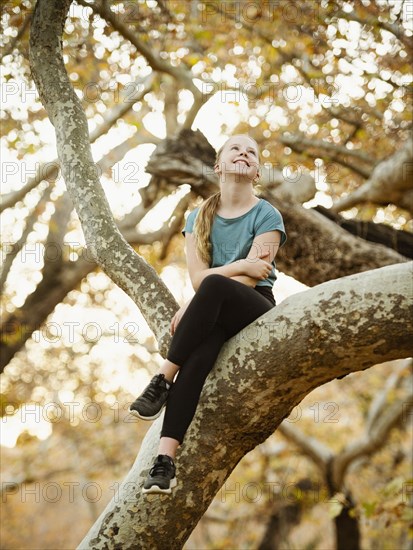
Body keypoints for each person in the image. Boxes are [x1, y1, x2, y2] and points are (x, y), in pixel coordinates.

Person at [129, 134, 287, 494]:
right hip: (212, 307)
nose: (244, 154)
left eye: (252, 153)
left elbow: (253, 275)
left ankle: (162, 379)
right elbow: (199, 278)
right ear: (219, 166)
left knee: (215, 289)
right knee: (197, 359)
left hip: (255, 304)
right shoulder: (197, 217)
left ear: (257, 171)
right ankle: (164, 462)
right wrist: (208, 288)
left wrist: (203, 293)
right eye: (236, 149)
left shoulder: (267, 214)